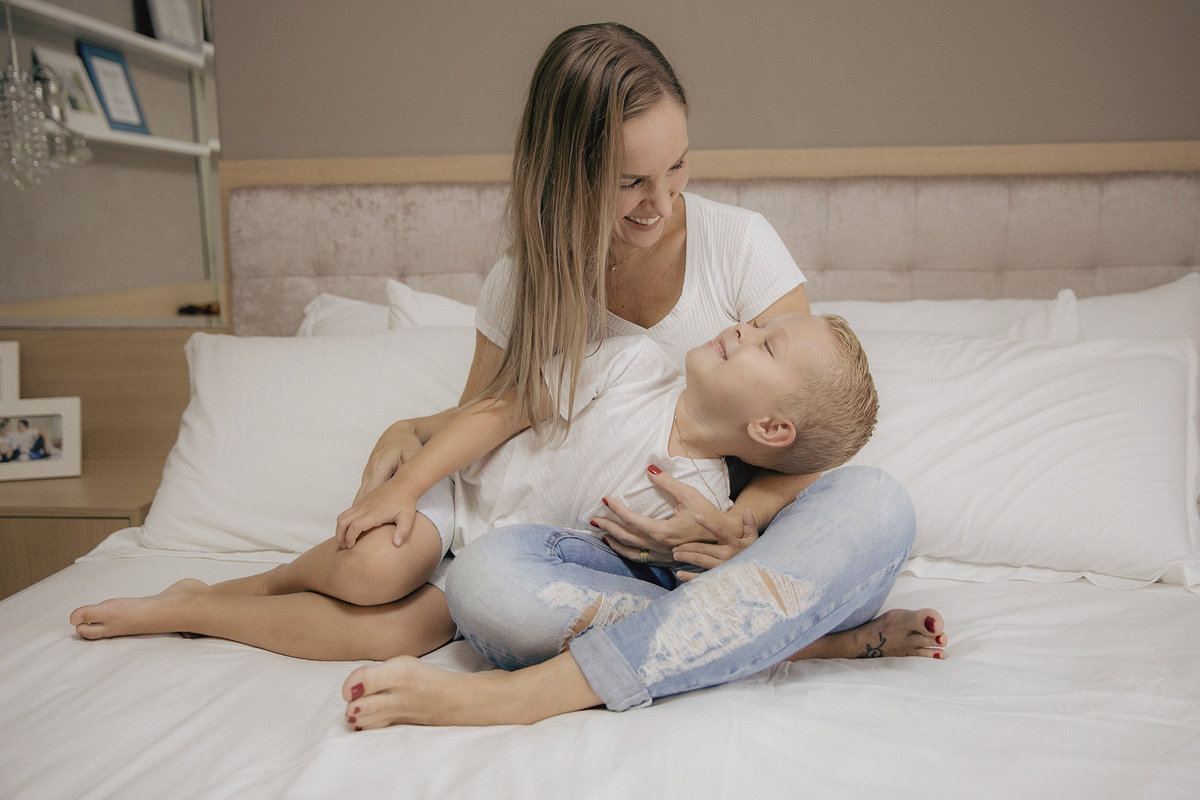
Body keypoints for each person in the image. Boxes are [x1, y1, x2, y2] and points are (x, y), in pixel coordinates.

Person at [339, 22, 942, 729]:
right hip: (600, 564)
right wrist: (411, 431)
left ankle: (519, 696)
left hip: (748, 557)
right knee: (484, 584)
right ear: (569, 173)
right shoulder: (524, 283)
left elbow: (805, 429)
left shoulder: (740, 245)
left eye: (677, 167)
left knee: (878, 504)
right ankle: (803, 641)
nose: (662, 201)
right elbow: (493, 421)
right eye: (631, 182)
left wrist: (736, 525)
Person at [68, 312, 883, 654]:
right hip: (462, 502)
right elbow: (503, 408)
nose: (744, 326)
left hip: (500, 569)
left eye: (765, 345)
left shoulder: (699, 502)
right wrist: (405, 486)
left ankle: (197, 613)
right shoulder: (635, 364)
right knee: (374, 568)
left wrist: (835, 634)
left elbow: (683, 603)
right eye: (760, 323)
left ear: (771, 432)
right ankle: (244, 586)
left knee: (390, 638)